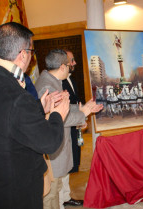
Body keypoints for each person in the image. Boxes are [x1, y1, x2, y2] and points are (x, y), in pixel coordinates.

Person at [0, 22, 70, 209]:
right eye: (32, 52)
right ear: (23, 54)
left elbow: (1, 121)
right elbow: (48, 142)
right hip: (17, 193)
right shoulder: (16, 95)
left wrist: (38, 108)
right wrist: (57, 115)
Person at [35, 49, 103, 209]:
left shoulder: (52, 80)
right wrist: (83, 113)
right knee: (51, 192)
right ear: (62, 67)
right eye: (68, 64)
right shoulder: (47, 86)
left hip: (58, 144)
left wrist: (82, 108)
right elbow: (59, 116)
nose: (71, 66)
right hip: (52, 148)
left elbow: (63, 107)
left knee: (57, 189)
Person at [60, 50, 84, 207]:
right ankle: (61, 198)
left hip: (73, 126)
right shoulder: (58, 82)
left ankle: (66, 196)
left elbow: (75, 102)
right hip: (64, 129)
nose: (74, 63)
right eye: (72, 60)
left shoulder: (71, 79)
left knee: (70, 162)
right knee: (63, 164)